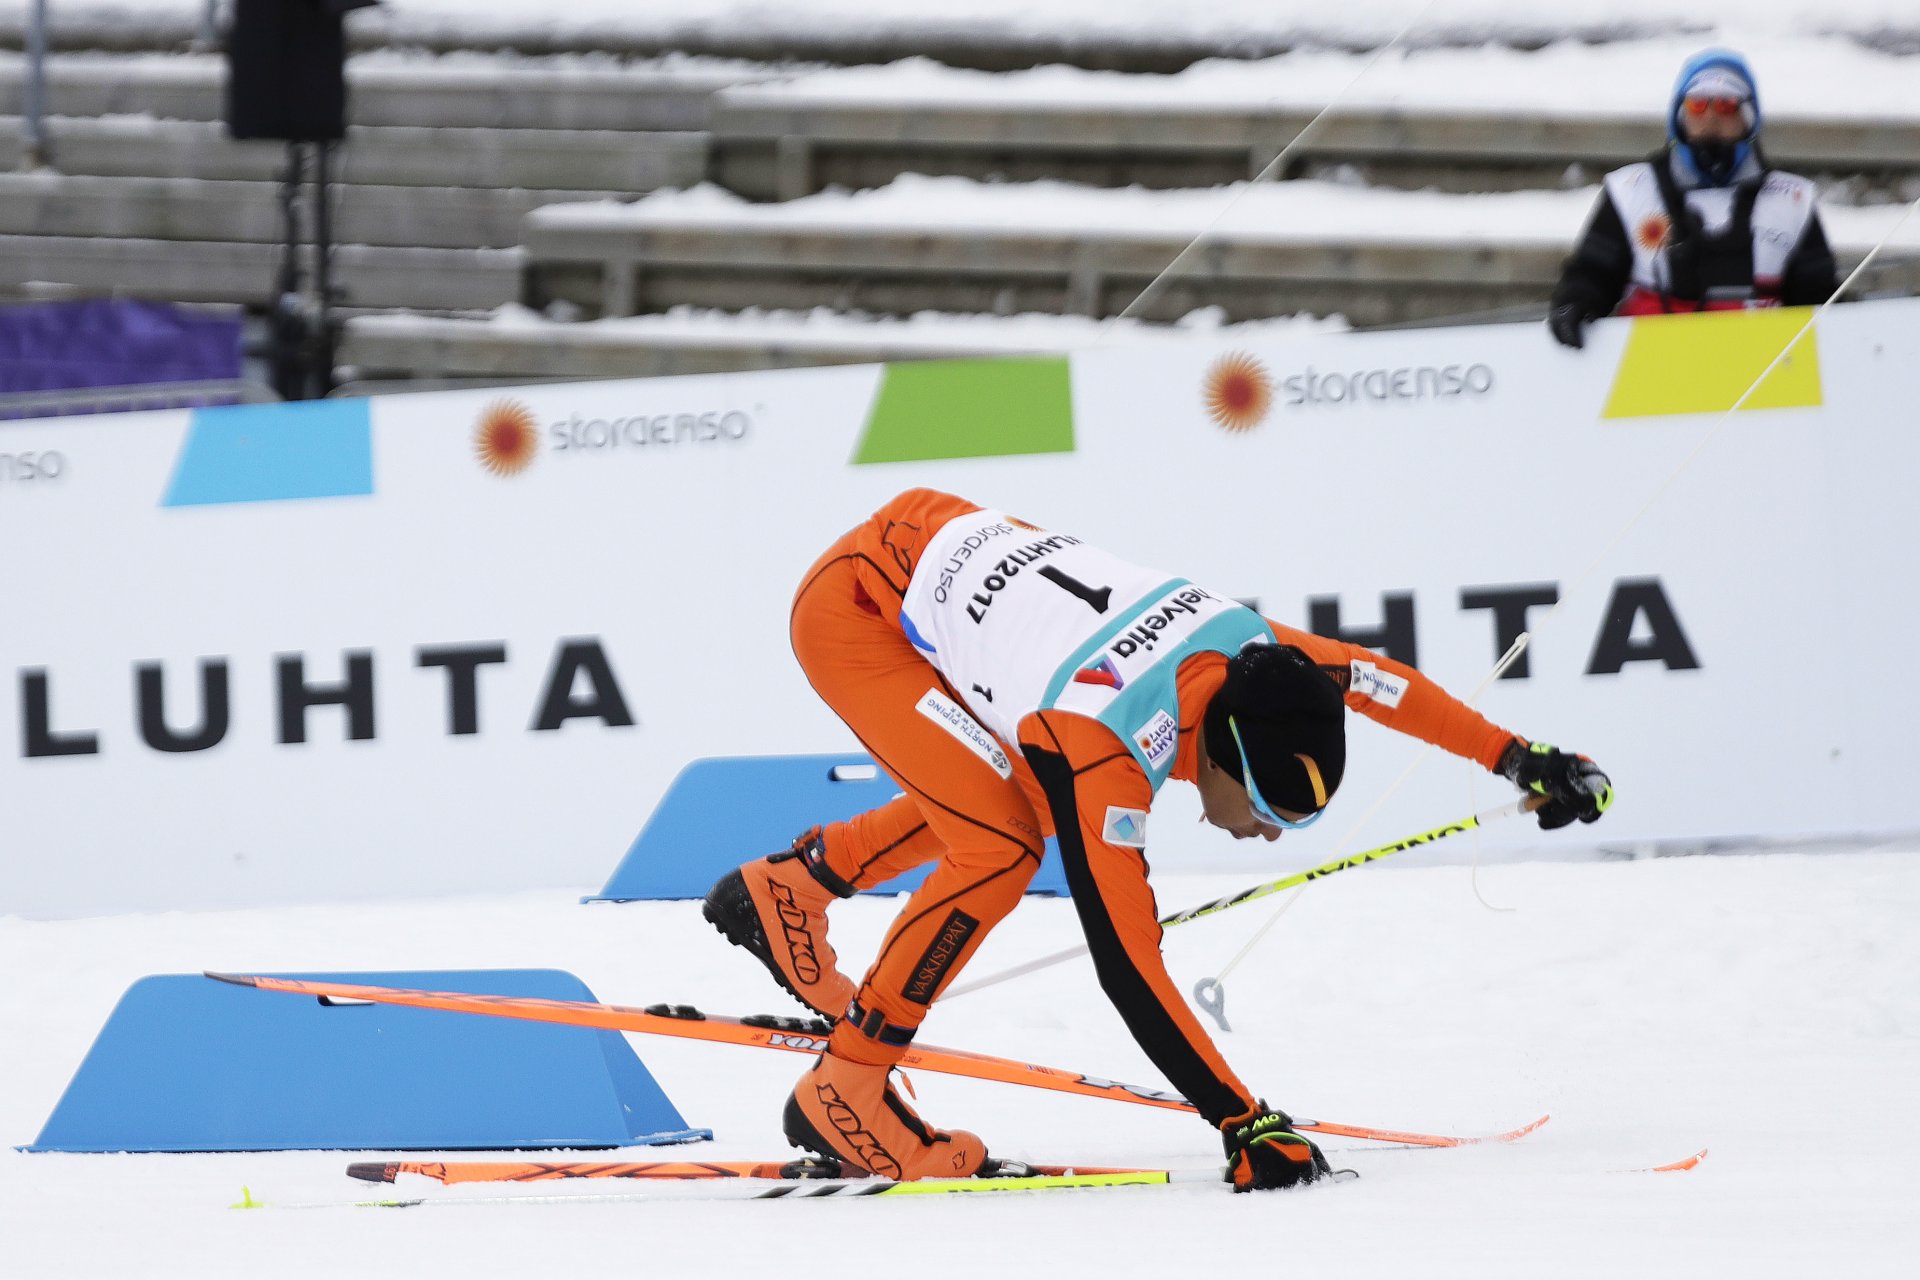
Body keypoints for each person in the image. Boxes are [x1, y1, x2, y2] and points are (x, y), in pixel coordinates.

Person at [704, 489, 1612, 1190]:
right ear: (1216, 755)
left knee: (1015, 798)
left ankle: (795, 887)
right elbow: (1128, 964)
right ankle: (847, 1090)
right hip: (857, 609)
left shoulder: (1258, 657)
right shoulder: (1106, 750)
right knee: (1003, 848)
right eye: (1266, 811)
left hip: (935, 545)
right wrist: (1242, 1121)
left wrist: (1520, 758)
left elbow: (1380, 682)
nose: (1266, 836)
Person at [1548, 49, 1838, 348]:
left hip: (1765, 365)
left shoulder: (1793, 199)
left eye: (1726, 105)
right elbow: (1593, 273)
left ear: (1748, 118)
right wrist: (1575, 303)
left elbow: (1820, 299)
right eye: (1697, 104)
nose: (1711, 116)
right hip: (1651, 365)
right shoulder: (1630, 191)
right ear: (1679, 116)